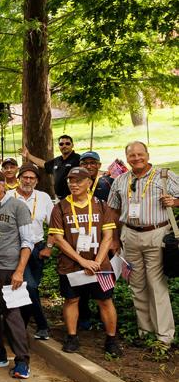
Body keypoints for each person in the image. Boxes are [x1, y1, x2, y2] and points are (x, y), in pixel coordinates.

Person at [107, 141, 178, 346]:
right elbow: (112, 210)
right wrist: (113, 238)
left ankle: (164, 336)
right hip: (129, 235)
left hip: (156, 233)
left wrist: (174, 201)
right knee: (136, 284)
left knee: (156, 284)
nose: (136, 158)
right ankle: (144, 331)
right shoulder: (120, 180)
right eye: (132, 155)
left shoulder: (163, 176)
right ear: (126, 158)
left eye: (140, 154)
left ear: (147, 154)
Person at [50, 167, 122, 356]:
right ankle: (72, 337)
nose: (74, 184)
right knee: (71, 299)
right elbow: (58, 239)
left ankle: (112, 340)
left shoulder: (101, 204)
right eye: (71, 181)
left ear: (89, 183)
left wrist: (97, 261)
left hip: (101, 266)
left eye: (79, 181)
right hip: (71, 265)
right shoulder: (60, 207)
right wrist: (83, 261)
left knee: (105, 300)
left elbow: (108, 236)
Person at [0, 170, 34, 379]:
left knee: (12, 314)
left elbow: (28, 241)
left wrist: (19, 271)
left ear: (2, 185)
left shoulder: (19, 207)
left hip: (9, 269)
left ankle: (22, 361)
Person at [10, 164, 54, 340]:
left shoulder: (43, 198)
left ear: (36, 181)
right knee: (30, 286)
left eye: (32, 178)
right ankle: (43, 325)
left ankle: (21, 326)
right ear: (19, 178)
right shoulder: (8, 196)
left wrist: (48, 247)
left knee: (30, 288)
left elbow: (55, 225)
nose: (28, 181)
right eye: (25, 177)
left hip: (37, 248)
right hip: (16, 249)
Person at [22, 134, 81, 200]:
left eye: (67, 143)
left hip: (74, 197)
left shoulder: (78, 159)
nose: (64, 146)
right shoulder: (57, 160)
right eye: (61, 144)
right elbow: (44, 164)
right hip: (59, 198)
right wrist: (29, 156)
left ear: (72, 145)